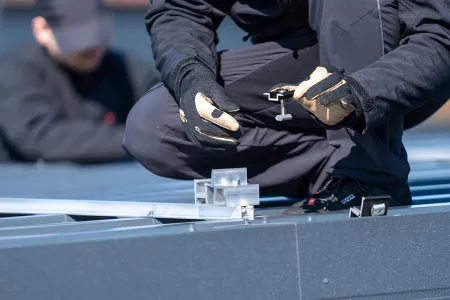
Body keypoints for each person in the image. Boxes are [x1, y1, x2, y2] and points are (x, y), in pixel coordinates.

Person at [123, 0, 450, 214]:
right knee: (156, 127)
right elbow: (180, 8)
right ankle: (331, 168)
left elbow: (440, 36)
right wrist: (191, 77)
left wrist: (365, 92)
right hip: (298, 70)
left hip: (391, 69)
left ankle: (369, 174)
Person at [0, 0, 160, 163]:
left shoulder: (124, 69)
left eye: (96, 34)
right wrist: (141, 138)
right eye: (78, 38)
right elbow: (42, 139)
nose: (91, 46)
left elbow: (164, 111)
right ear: (42, 29)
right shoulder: (18, 72)